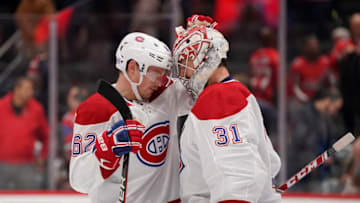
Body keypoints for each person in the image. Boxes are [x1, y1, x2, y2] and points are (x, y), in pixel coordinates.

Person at [69, 32, 192, 203]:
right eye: (155, 73)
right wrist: (107, 148)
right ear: (133, 68)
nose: (160, 81)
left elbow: (205, 93)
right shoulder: (96, 109)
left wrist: (206, 56)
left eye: (163, 74)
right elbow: (79, 181)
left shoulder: (166, 92)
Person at [172, 14, 281, 203]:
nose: (183, 74)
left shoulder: (219, 98)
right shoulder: (234, 92)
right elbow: (269, 163)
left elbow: (238, 178)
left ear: (202, 58)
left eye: (185, 63)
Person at [0, 76, 49, 189]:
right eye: (27, 89)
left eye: (31, 89)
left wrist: (42, 156)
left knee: (29, 197)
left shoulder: (36, 109)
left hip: (27, 165)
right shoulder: (1, 106)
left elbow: (46, 135)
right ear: (17, 89)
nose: (30, 92)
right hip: (1, 163)